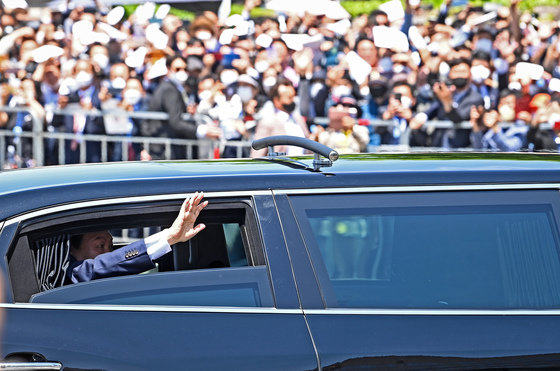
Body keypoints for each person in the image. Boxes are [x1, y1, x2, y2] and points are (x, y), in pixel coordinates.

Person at [65, 192, 208, 284]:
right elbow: (101, 266)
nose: (108, 254)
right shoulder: (68, 277)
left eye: (110, 246)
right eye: (100, 246)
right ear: (71, 250)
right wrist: (169, 237)